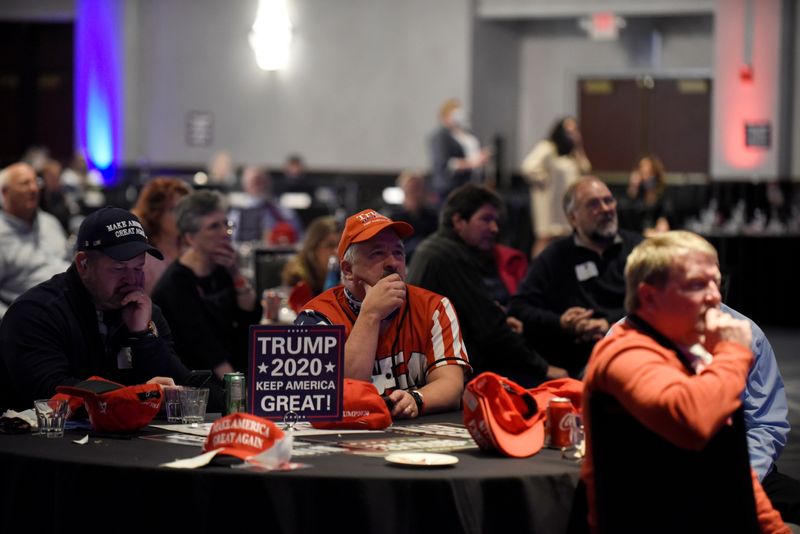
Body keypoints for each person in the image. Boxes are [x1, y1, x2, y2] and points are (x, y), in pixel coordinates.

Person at [580, 231, 788, 533]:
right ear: (649, 296)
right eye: (696, 285)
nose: (715, 297)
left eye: (716, 282)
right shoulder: (622, 350)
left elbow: (729, 466)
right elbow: (692, 421)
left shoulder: (695, 351)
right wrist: (732, 353)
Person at [0, 206, 188, 411]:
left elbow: (178, 389)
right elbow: (50, 394)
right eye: (119, 268)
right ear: (83, 264)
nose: (132, 280)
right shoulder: (36, 312)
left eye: (138, 268)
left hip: (126, 438)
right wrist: (137, 395)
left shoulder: (143, 312)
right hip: (41, 440)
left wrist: (143, 336)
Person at [295, 209, 471, 419]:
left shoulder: (434, 307)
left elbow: (452, 386)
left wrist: (416, 398)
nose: (392, 262)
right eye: (377, 253)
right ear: (348, 269)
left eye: (398, 252)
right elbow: (333, 397)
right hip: (344, 440)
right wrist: (370, 314)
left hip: (413, 442)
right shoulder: (316, 317)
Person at [407, 184, 566, 387]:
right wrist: (544, 368)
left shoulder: (435, 249)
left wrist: (499, 318)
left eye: (495, 221)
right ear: (458, 221)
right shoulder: (449, 256)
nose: (494, 229)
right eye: (486, 219)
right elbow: (490, 330)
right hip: (444, 375)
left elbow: (479, 316)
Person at [508, 177, 643, 377]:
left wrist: (610, 324)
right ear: (573, 218)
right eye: (593, 204)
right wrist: (560, 322)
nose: (606, 208)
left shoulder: (638, 248)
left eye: (609, 200)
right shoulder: (555, 256)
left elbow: (658, 302)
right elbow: (519, 307)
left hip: (631, 351)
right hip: (577, 362)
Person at [152, 190, 262, 380]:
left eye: (226, 224)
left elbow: (249, 318)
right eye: (213, 227)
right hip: (199, 384)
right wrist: (239, 393)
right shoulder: (175, 284)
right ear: (190, 238)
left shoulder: (222, 269)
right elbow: (207, 350)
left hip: (234, 370)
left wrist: (236, 273)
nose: (225, 234)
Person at [0, 162, 70, 318]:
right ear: (5, 192)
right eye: (25, 183)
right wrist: (12, 323)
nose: (33, 189)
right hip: (33, 321)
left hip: (72, 309)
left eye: (36, 182)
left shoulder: (50, 222)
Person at [521, 116, 591, 257]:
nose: (571, 134)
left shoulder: (572, 153)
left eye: (574, 130)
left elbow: (586, 169)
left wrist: (578, 147)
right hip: (549, 203)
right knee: (546, 238)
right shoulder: (547, 147)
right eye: (568, 130)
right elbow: (528, 167)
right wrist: (545, 180)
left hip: (567, 203)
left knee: (567, 236)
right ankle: (538, 270)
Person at [130, 177, 193, 294]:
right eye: (174, 209)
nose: (182, 216)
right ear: (155, 213)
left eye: (185, 210)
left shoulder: (191, 250)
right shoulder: (144, 262)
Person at [429, 98, 492, 204]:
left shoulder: (467, 134)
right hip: (451, 188)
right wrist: (473, 163)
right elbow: (446, 164)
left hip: (472, 184)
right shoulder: (441, 136)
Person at [227, 165, 303, 245]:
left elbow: (299, 236)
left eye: (262, 181)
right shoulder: (237, 213)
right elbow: (230, 237)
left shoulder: (283, 210)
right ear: (246, 186)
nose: (259, 186)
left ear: (269, 183)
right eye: (255, 181)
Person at [281, 215, 341, 312]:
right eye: (330, 245)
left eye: (340, 244)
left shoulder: (347, 273)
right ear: (313, 250)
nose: (336, 251)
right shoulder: (297, 277)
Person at [381, 169, 438, 261]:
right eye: (411, 189)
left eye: (418, 189)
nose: (416, 194)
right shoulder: (393, 218)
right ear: (404, 191)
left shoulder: (434, 217)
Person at [622, 154, 671, 235]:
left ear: (656, 174)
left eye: (649, 173)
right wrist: (633, 187)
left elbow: (663, 227)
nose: (646, 177)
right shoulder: (633, 198)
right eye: (642, 173)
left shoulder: (663, 198)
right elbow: (628, 225)